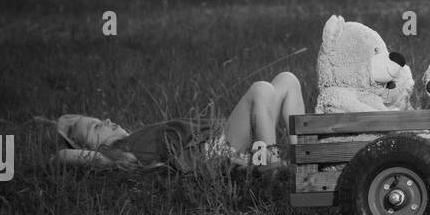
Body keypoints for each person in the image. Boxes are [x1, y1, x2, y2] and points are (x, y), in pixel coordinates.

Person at [54, 71, 305, 172]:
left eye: (102, 118)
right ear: (90, 147)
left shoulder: (137, 136)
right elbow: (61, 157)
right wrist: (90, 154)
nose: (106, 120)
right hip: (209, 152)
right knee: (261, 89)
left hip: (218, 136)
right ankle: (269, 163)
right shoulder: (117, 154)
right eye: (96, 126)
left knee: (287, 79)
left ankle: (304, 155)